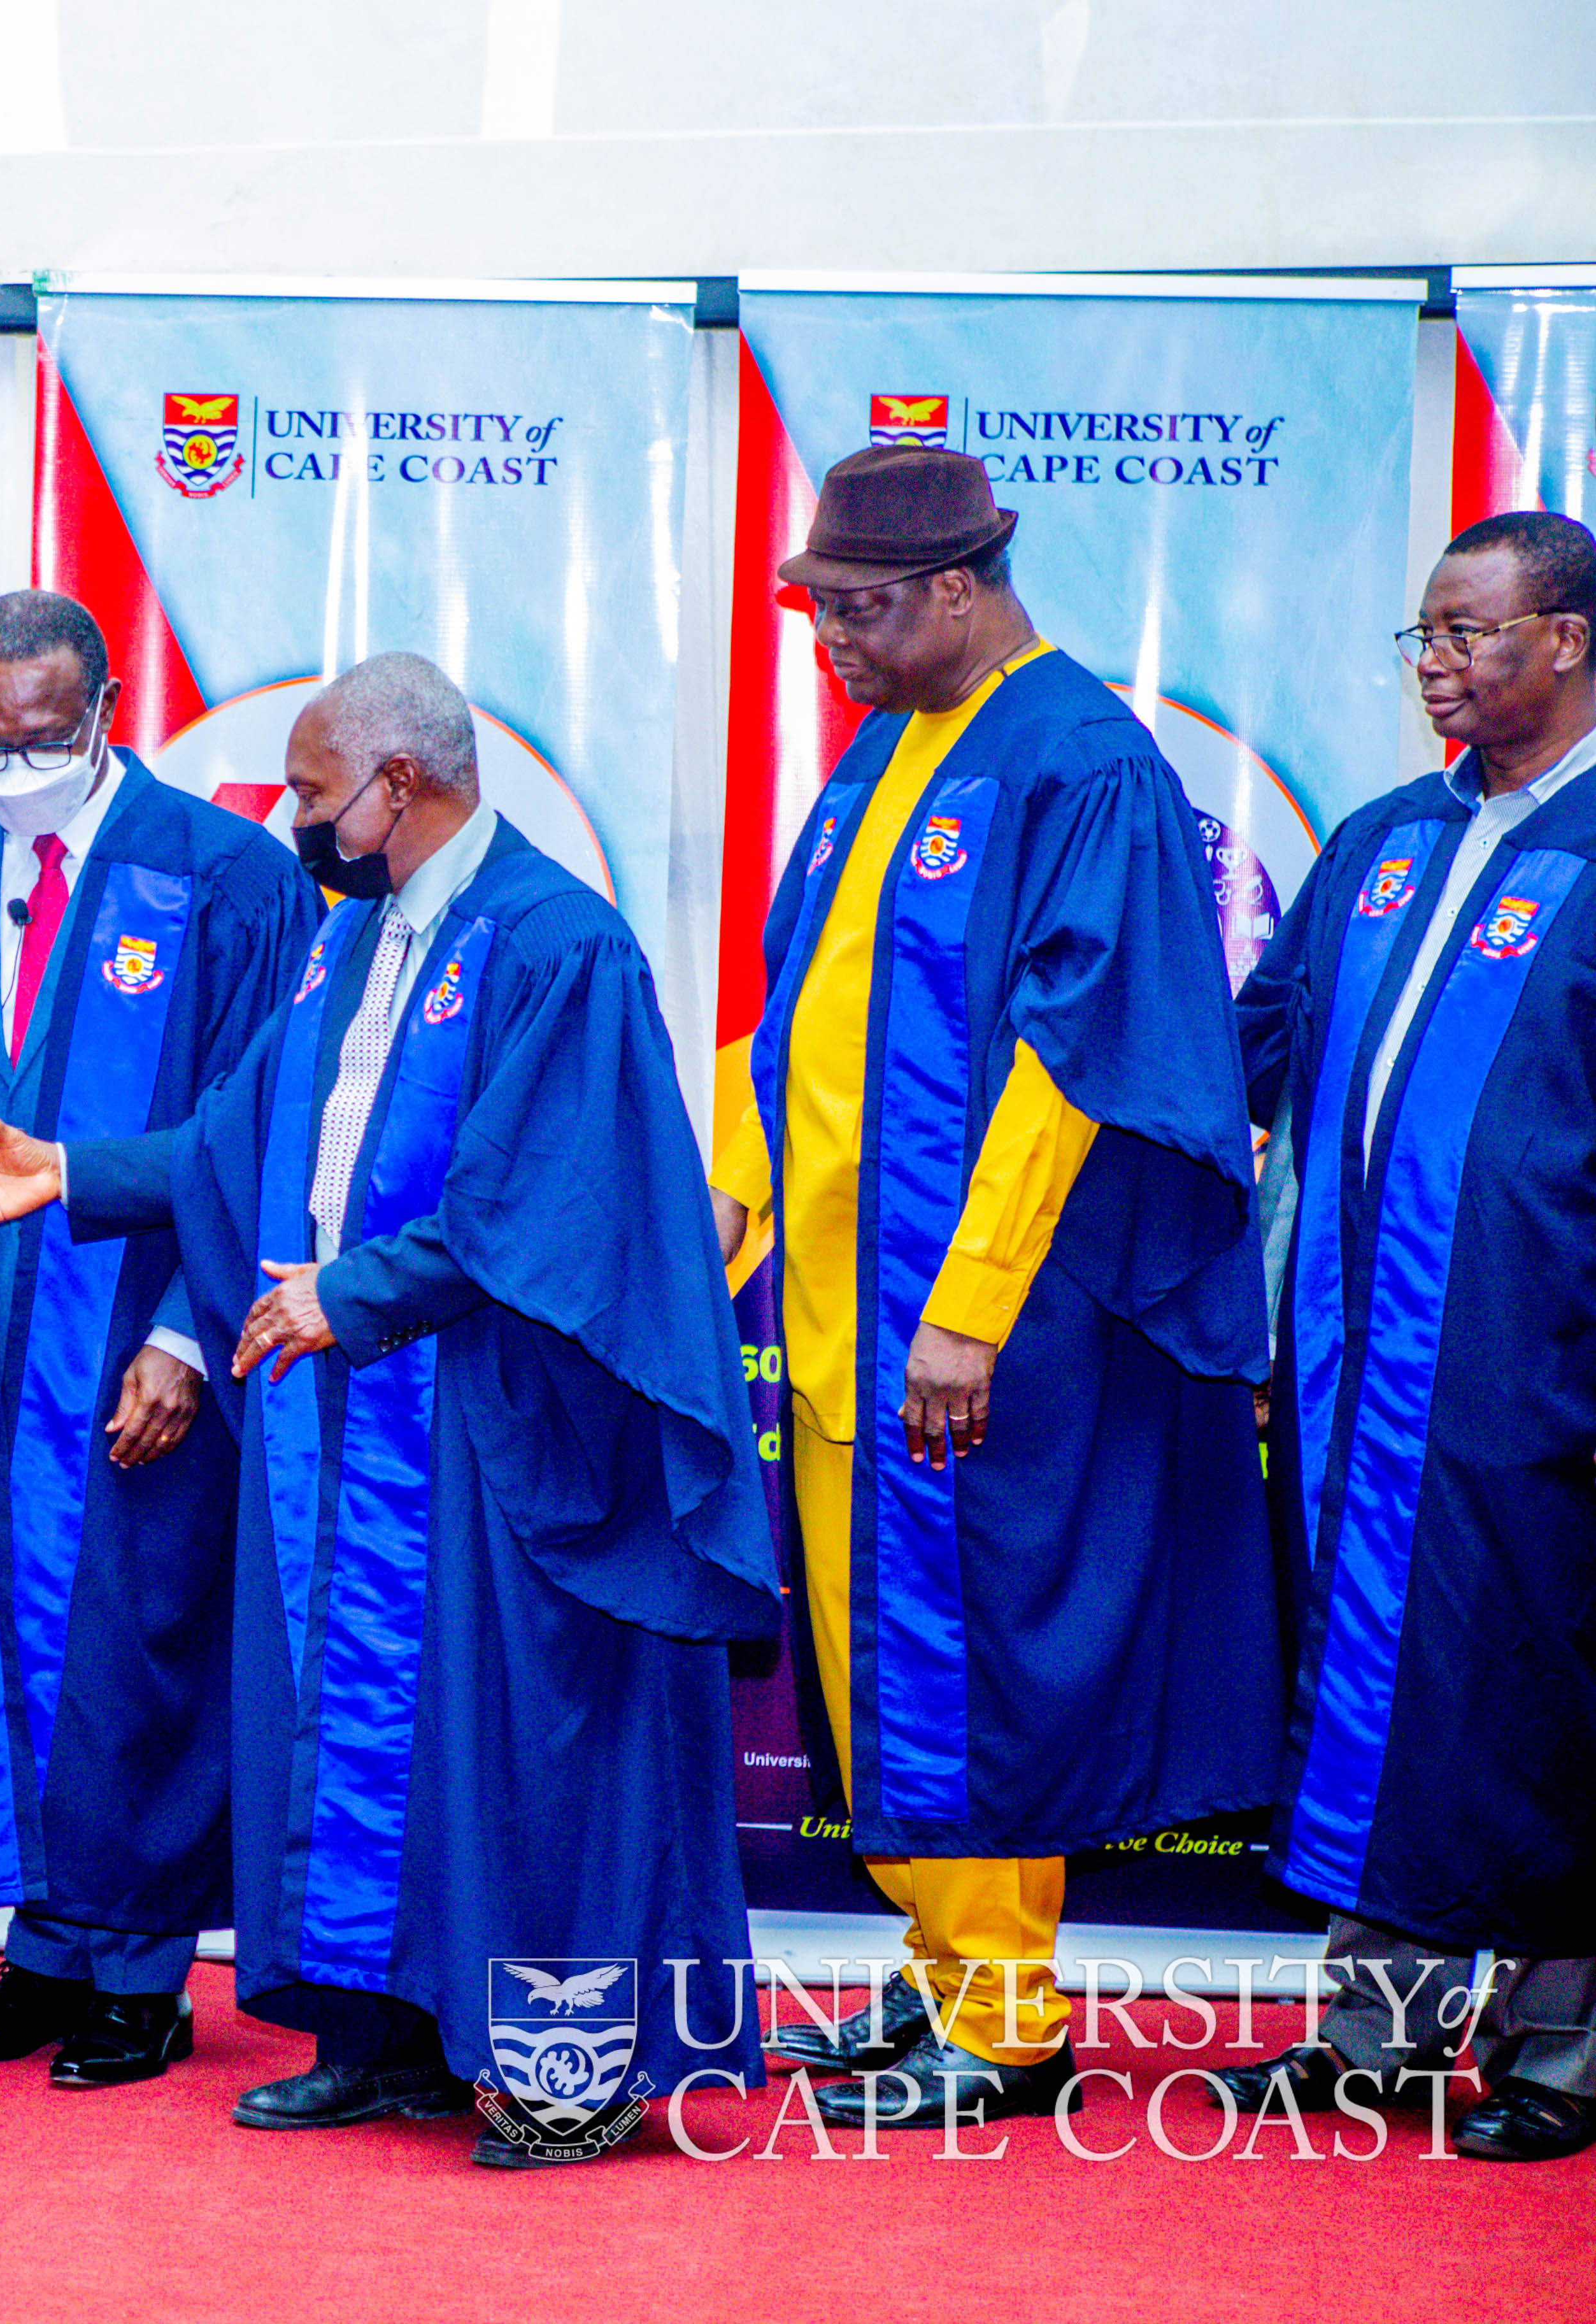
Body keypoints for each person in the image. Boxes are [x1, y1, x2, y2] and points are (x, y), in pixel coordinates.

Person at [0, 653, 775, 2168]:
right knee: (373, 1733)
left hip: (507, 1431)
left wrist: (355, 1291)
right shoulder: (357, 941)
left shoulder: (553, 943)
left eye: (319, 792)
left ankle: (569, 2071)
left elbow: (546, 1197)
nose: (298, 818)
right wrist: (66, 1172)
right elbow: (229, 1136)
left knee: (534, 1755)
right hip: (364, 1433)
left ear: (402, 785)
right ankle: (390, 2036)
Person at [709, 446, 1282, 2130]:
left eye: (866, 615)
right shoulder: (889, 748)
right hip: (833, 1313)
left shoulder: (1076, 759)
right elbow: (794, 1008)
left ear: (960, 586)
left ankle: (1009, 2013)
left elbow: (1077, 1062)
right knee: (880, 1656)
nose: (838, 650)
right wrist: (725, 1209)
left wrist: (967, 1306)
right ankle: (944, 1965)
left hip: (971, 1327)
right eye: (820, 617)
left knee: (969, 1647)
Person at [0, 592, 314, 2089]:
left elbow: (258, 1135)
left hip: (137, 1349)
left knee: (132, 1647)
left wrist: (182, 1327)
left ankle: (141, 1975)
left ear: (106, 707)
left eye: (42, 735)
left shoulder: (227, 880)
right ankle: (39, 1955)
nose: (12, 761)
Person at [1212, 510, 1596, 2163]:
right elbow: (1255, 1047)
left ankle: (1562, 2051)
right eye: (1423, 636)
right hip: (1365, 1373)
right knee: (1384, 1690)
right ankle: (1378, 2032)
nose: (1436, 659)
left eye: (1470, 630)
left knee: (1543, 1696)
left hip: (1541, 1367)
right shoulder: (1382, 842)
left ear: (1569, 637)